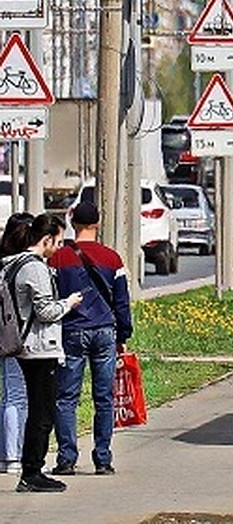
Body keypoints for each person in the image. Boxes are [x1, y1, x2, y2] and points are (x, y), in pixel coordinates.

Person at [49, 200, 133, 477]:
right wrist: (123, 334)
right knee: (104, 398)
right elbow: (121, 301)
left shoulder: (58, 258)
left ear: (73, 224)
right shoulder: (113, 259)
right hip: (105, 332)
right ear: (97, 224)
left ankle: (66, 458)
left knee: (66, 398)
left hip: (70, 331)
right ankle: (103, 459)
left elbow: (51, 296)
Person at [1, 213, 82, 493]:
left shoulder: (12, 264)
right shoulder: (34, 268)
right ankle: (32, 472)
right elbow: (45, 311)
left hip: (28, 346)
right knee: (42, 412)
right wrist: (68, 304)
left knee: (38, 408)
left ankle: (31, 470)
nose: (59, 247)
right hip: (38, 348)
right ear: (46, 239)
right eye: (58, 241)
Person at [0, 213, 34, 476]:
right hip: (21, 338)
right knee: (18, 396)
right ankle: (13, 454)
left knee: (10, 395)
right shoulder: (26, 265)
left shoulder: (2, 263)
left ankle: (6, 453)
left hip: (4, 336)